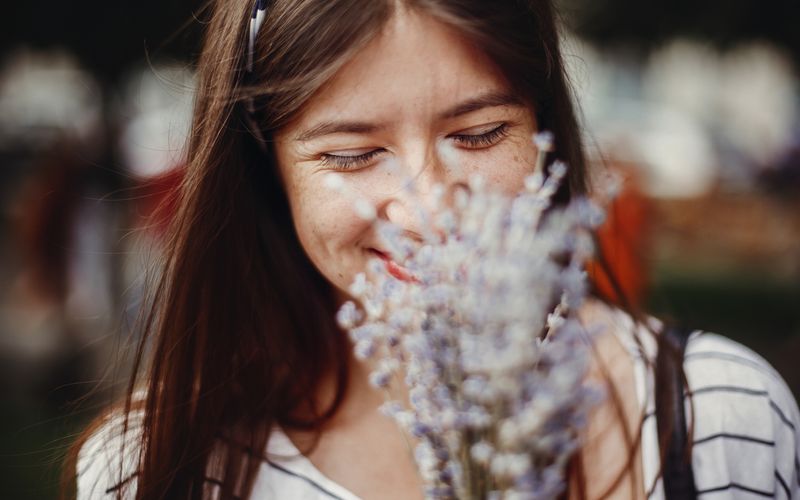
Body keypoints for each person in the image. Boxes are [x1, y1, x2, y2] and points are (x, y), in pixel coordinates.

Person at [68, 1, 800, 499]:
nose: (430, 209)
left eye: (479, 135)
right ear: (271, 173)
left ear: (541, 136)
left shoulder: (718, 417)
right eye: (355, 155)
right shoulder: (153, 470)